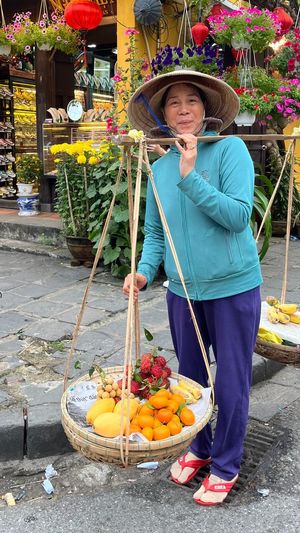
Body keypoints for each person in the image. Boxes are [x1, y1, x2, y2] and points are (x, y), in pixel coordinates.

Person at [123, 70, 262, 506]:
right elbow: (156, 232)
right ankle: (200, 448)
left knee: (234, 380)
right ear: (163, 115)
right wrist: (145, 271)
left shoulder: (230, 151)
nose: (183, 110)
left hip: (233, 288)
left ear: (206, 111)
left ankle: (226, 462)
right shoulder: (160, 168)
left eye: (192, 101)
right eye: (173, 104)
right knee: (191, 381)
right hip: (183, 291)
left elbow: (238, 217)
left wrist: (191, 172)